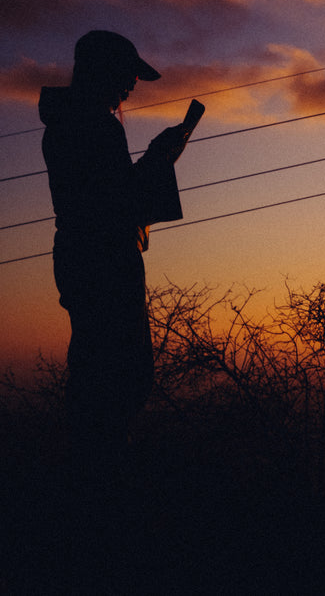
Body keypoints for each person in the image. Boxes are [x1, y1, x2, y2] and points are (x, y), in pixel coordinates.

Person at [40, 30, 190, 488]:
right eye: (127, 75)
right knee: (117, 368)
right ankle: (102, 474)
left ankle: (96, 464)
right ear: (102, 71)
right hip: (102, 259)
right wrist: (160, 158)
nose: (132, 86)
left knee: (95, 360)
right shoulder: (96, 127)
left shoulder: (68, 122)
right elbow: (115, 205)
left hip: (81, 256)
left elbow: (104, 200)